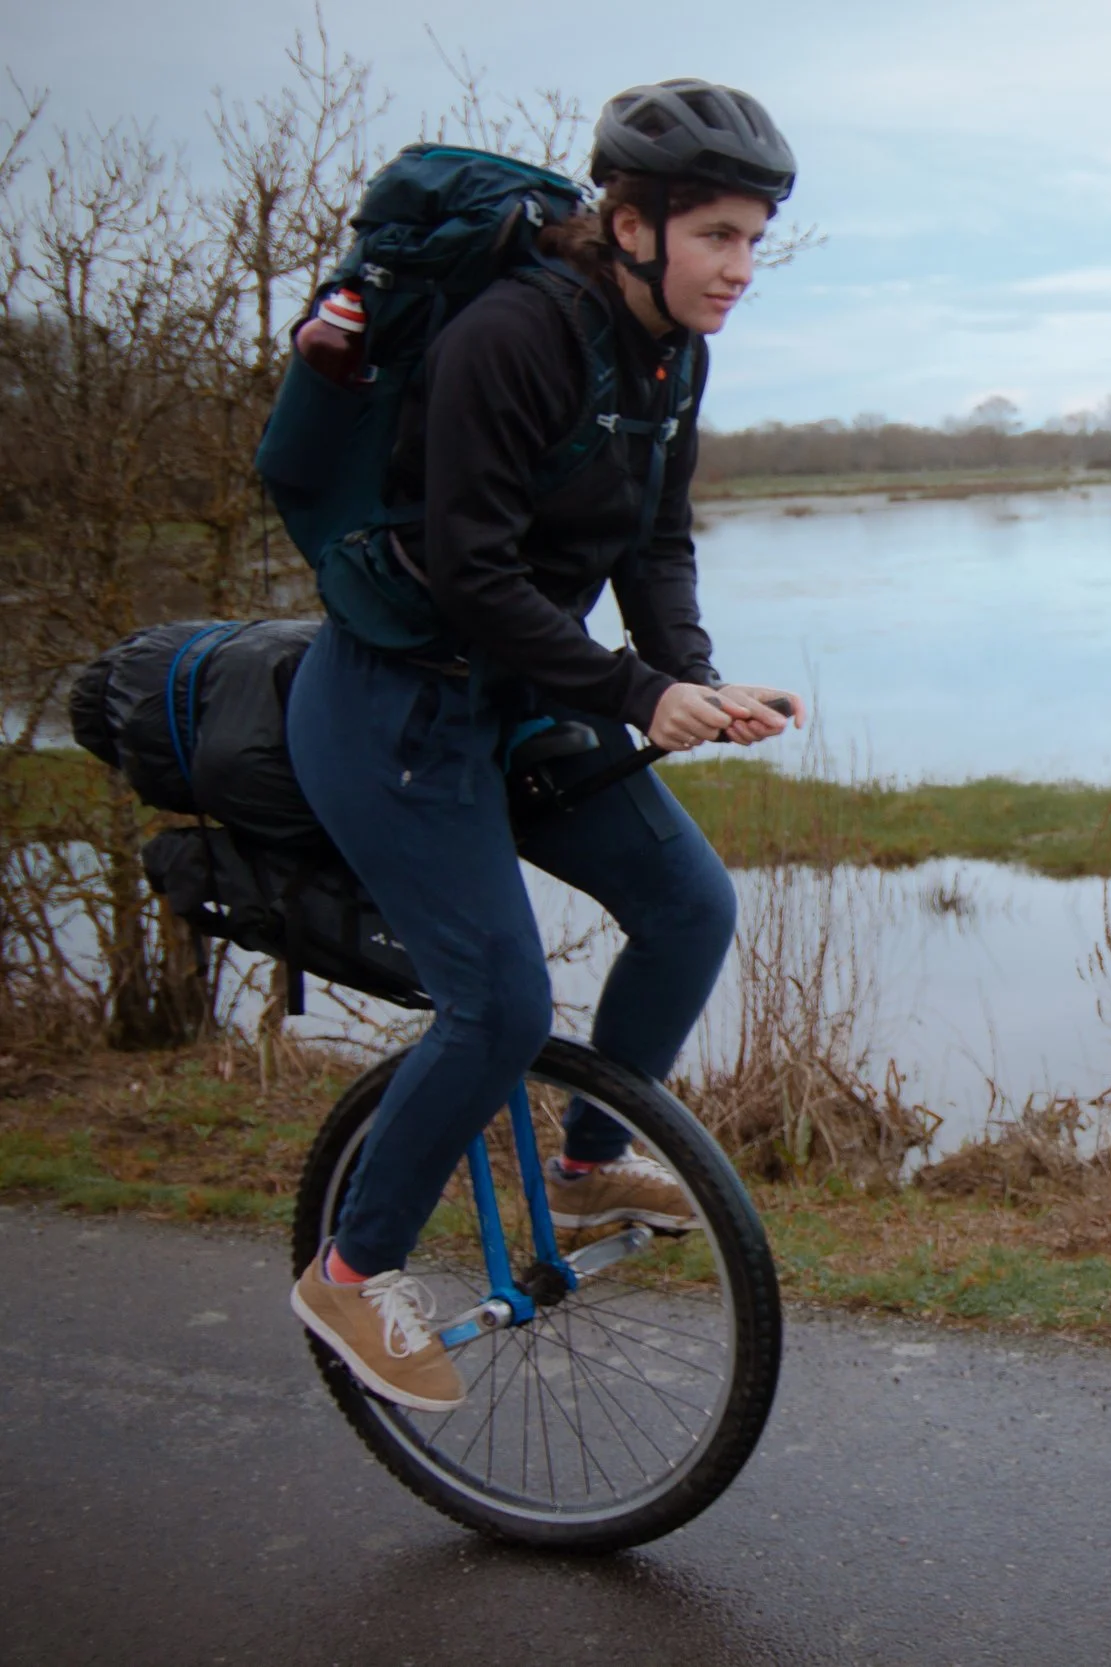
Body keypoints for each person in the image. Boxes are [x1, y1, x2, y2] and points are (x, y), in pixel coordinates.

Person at [288, 78, 806, 1412]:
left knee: (689, 904)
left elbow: (651, 539)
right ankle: (353, 1269)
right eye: (717, 238)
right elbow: (468, 571)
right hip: (393, 709)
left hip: (515, 693)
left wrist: (694, 679)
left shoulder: (669, 352)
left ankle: (579, 1167)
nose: (739, 268)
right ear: (629, 224)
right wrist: (634, 693)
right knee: (500, 1002)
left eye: (753, 239)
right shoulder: (513, 336)